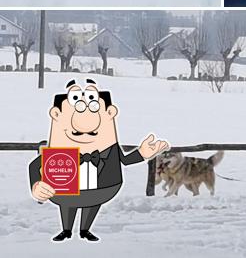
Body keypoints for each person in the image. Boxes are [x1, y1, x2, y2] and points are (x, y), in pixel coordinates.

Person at [29, 79, 169, 242]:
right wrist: (36, 185)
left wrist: (142, 153)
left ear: (110, 113)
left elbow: (124, 160)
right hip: (66, 190)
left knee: (92, 204)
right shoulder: (58, 153)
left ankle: (85, 230)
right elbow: (34, 166)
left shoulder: (110, 147)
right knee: (68, 203)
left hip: (102, 187)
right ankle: (66, 230)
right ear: (56, 115)